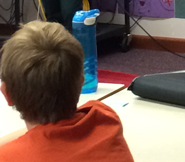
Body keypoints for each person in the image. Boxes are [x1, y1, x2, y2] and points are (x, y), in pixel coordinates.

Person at [0, 21, 134, 161]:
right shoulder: (105, 120)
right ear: (81, 83)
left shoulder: (9, 157)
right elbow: (49, 132)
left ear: (7, 94)